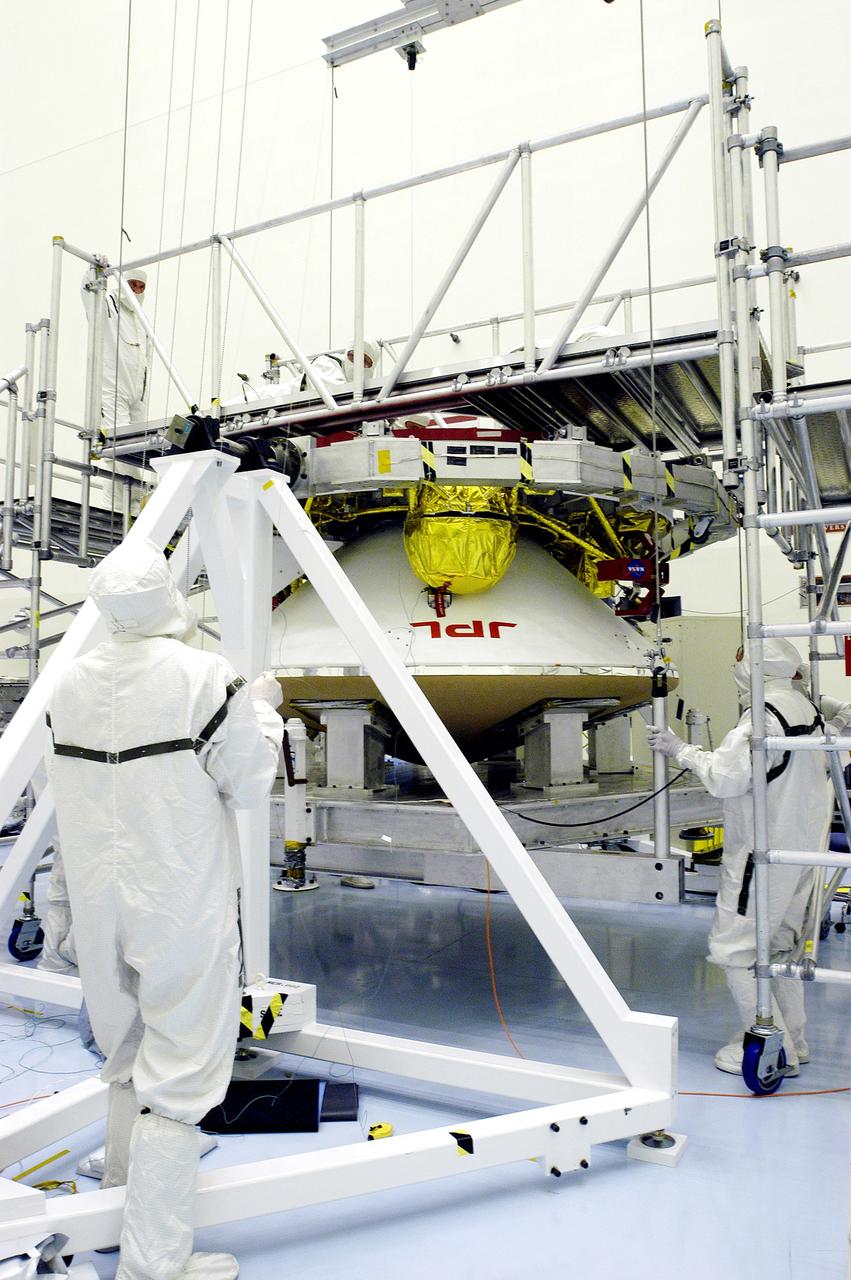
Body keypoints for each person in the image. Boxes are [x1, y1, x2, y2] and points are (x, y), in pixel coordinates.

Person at [45, 537, 283, 1279]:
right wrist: (265, 712)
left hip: (95, 900)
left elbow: (68, 795)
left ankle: (122, 1181)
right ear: (169, 601)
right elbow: (249, 782)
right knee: (181, 1075)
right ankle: (156, 1263)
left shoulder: (68, 683)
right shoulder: (203, 677)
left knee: (126, 1050)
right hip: (177, 901)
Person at [647, 637, 851, 1075]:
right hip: (803, 854)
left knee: (735, 950)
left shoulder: (761, 719)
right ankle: (793, 1039)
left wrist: (677, 748)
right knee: (778, 947)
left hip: (763, 856)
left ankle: (771, 1047)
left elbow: (725, 778)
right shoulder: (809, 712)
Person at [81, 266, 151, 432]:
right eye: (133, 285)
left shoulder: (142, 320)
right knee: (117, 441)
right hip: (114, 389)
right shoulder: (107, 306)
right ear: (123, 284)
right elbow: (87, 294)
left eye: (141, 287)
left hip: (138, 394)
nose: (137, 290)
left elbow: (146, 356)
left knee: (137, 446)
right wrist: (93, 270)